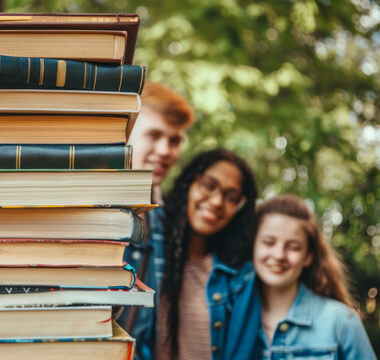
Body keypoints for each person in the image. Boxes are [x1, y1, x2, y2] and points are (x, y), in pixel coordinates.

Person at [155, 148, 260, 360]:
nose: (216, 201)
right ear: (190, 183)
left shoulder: (241, 277)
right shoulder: (151, 253)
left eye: (232, 197)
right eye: (209, 186)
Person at [118, 82, 195, 356]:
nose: (165, 150)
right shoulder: (95, 209)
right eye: (154, 135)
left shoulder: (166, 220)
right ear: (127, 133)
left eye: (174, 140)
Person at [253, 194, 376, 359]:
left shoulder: (342, 322)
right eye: (269, 242)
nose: (279, 255)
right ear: (252, 246)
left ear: (308, 256)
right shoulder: (230, 318)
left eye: (293, 246)